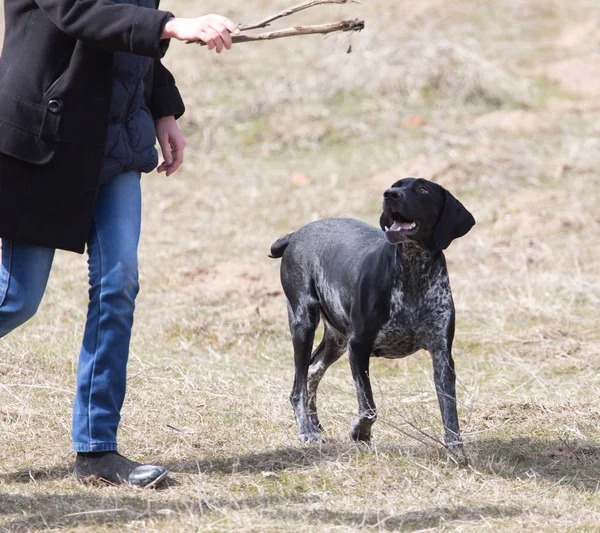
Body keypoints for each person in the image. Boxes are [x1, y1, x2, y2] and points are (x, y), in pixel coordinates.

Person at [0, 1, 238, 488]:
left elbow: (129, 37)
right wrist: (172, 25)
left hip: (118, 139)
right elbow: (78, 12)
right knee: (16, 298)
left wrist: (163, 107)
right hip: (46, 139)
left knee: (118, 284)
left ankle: (96, 449)